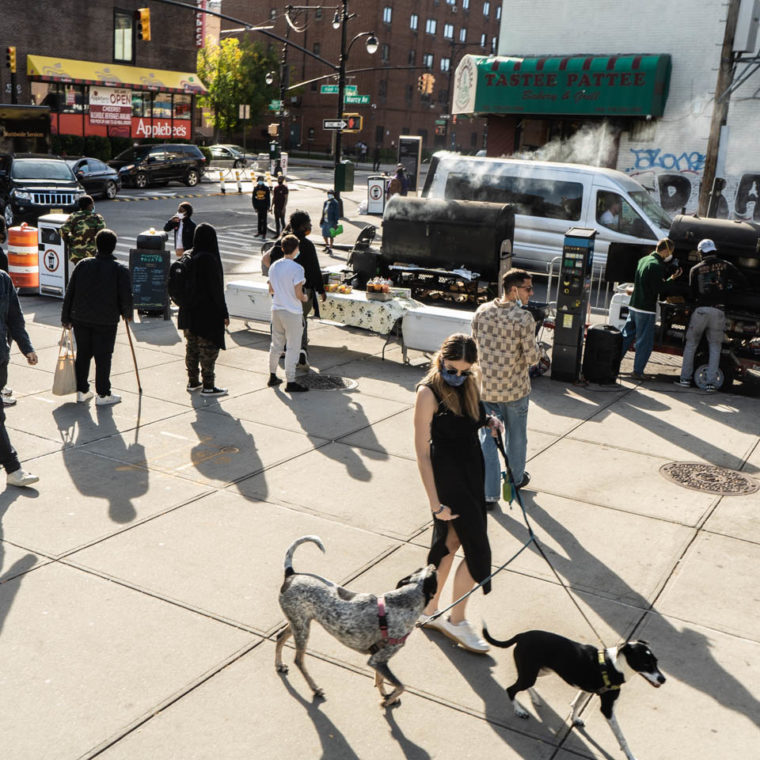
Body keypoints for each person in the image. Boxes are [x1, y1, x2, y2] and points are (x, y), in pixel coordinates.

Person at [414, 333, 503, 654]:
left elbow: (472, 418)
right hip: (449, 480)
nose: (456, 376)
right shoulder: (428, 393)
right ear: (440, 358)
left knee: (450, 544)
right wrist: (435, 503)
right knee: (478, 553)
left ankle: (429, 609)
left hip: (472, 475)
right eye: (451, 369)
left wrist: (489, 421)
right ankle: (456, 620)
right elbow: (423, 454)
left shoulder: (467, 384)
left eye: (464, 371)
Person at [472, 268, 540, 505]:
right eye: (528, 288)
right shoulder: (524, 318)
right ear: (514, 290)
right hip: (515, 389)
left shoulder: (482, 311)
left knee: (488, 439)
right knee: (516, 436)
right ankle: (515, 480)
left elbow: (475, 345)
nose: (531, 293)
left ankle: (489, 493)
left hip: (487, 388)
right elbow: (532, 358)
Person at [61, 228, 132, 406]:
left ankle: (82, 390)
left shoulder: (84, 264)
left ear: (96, 245)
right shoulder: (119, 269)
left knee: (84, 354)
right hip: (105, 320)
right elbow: (126, 296)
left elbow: (71, 291)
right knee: (103, 356)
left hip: (81, 317)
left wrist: (66, 317)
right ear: (114, 247)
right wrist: (127, 313)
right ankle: (103, 393)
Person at [677, 238, 745, 391]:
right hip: (719, 311)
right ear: (714, 250)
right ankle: (710, 383)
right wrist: (727, 289)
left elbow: (692, 293)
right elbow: (742, 281)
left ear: (701, 253)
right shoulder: (726, 265)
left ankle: (685, 379)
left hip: (700, 311)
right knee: (715, 347)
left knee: (691, 344)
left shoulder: (695, 269)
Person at [269, 211, 326, 369]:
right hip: (301, 291)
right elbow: (314, 270)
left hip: (282, 292)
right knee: (300, 322)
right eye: (308, 223)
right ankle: (300, 352)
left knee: (284, 323)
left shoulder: (282, 242)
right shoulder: (306, 245)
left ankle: (284, 352)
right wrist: (321, 290)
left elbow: (269, 261)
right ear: (302, 226)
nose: (310, 226)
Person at [178, 223, 230, 397]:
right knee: (208, 350)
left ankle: (193, 381)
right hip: (206, 314)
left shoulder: (188, 255)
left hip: (188, 313)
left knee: (191, 348)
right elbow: (216, 290)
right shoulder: (209, 258)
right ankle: (209, 386)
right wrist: (224, 313)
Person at [619, 237, 682, 381]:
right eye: (670, 252)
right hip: (646, 309)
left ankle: (613, 364)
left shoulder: (643, 260)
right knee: (644, 343)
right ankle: (638, 371)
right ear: (666, 251)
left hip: (634, 306)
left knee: (625, 337)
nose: (670, 255)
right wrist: (672, 278)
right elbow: (658, 289)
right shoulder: (656, 266)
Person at [0, 266, 39, 487]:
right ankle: (13, 468)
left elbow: (15, 318)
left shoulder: (3, 280)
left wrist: (27, 348)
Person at [267, 234, 310, 393]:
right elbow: (298, 293)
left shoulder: (274, 266)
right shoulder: (298, 268)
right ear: (296, 249)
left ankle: (272, 375)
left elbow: (271, 289)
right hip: (292, 312)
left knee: (276, 345)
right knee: (292, 347)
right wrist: (304, 297)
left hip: (276, 309)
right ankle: (290, 381)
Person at [60, 195, 106, 264]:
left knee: (79, 271)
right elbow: (103, 234)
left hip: (76, 254)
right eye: (92, 204)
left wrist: (69, 242)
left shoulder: (73, 216)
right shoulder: (97, 218)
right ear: (90, 205)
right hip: (91, 254)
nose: (93, 206)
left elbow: (63, 230)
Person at [320, 189, 340, 253]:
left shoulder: (335, 203)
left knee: (331, 235)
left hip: (331, 221)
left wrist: (336, 222)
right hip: (325, 220)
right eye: (328, 194)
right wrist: (322, 218)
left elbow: (336, 213)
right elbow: (323, 211)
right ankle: (327, 245)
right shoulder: (326, 202)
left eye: (331, 194)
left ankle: (330, 248)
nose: (329, 195)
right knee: (324, 234)